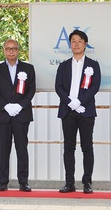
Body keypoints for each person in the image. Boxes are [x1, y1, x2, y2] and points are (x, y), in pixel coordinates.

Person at [55, 29, 101, 194]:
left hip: (86, 111)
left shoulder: (93, 65)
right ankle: (69, 183)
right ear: (70, 44)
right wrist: (71, 103)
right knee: (68, 148)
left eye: (79, 41)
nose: (76, 44)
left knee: (87, 147)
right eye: (73, 41)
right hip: (68, 111)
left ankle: (87, 182)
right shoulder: (63, 65)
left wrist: (80, 102)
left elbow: (94, 87)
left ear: (85, 44)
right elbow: (58, 87)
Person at [0, 39, 36, 192]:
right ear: (4, 50)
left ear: (18, 50)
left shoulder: (28, 68)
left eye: (14, 49)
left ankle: (24, 182)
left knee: (22, 149)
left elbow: (31, 91)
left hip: (22, 115)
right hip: (3, 115)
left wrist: (19, 106)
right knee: (4, 149)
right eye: (8, 49)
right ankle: (3, 181)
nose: (11, 52)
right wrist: (6, 106)